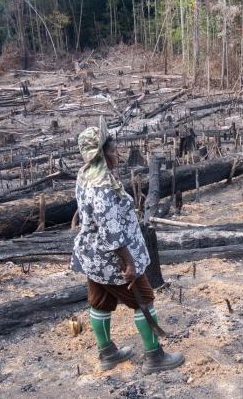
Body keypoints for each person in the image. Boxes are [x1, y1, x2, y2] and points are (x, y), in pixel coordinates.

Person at [71, 117, 184, 373]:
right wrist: (129, 263)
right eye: (112, 150)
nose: (117, 154)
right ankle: (155, 357)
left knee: (99, 301)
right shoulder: (102, 187)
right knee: (143, 299)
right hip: (113, 260)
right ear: (100, 154)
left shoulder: (86, 176)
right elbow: (111, 231)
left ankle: (107, 353)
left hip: (92, 256)